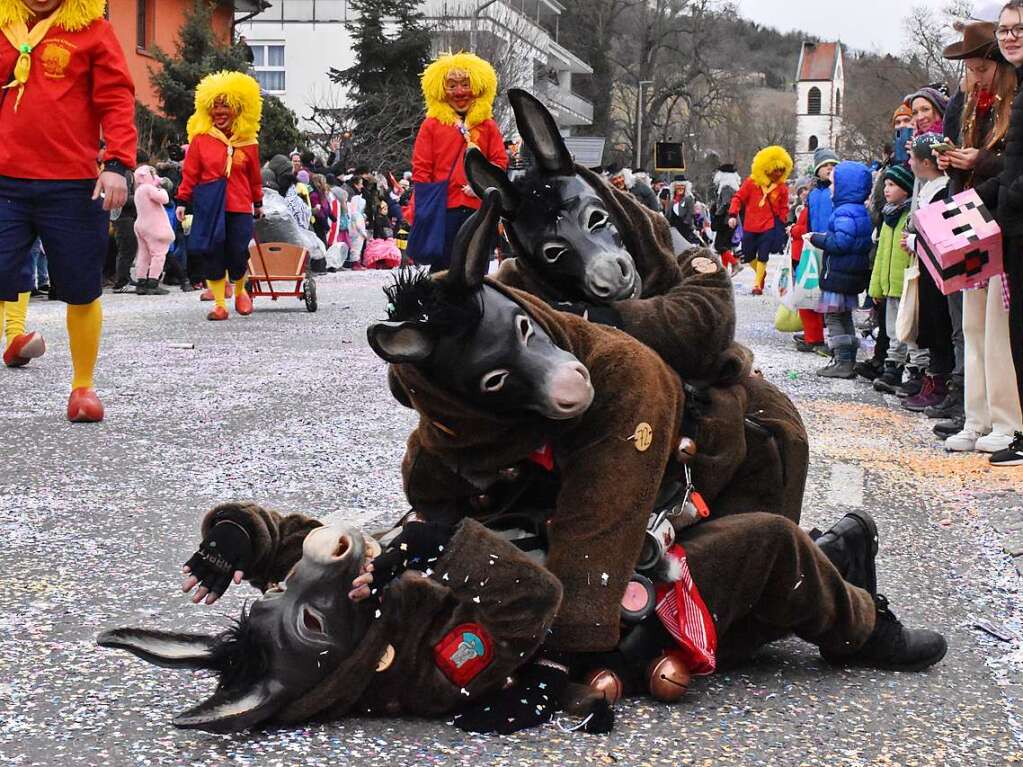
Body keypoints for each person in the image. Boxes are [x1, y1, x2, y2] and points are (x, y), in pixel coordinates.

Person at [0, 0, 135, 422]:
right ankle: (14, 337)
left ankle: (83, 387)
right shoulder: (3, 24)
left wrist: (116, 164)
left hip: (73, 183)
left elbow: (115, 98)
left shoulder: (93, 30)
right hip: (4, 179)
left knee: (80, 287)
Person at [965, 2, 1023, 465]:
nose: (1010, 36)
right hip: (990, 217)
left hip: (1006, 221)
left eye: (1017, 29)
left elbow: (1014, 169)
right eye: (1005, 30)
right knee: (977, 328)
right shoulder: (976, 103)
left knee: (1002, 332)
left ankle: (1009, 423)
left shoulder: (1013, 97)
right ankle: (981, 417)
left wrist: (986, 184)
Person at [175, 71, 263, 322]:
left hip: (239, 204)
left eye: (226, 106)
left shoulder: (248, 142)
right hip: (209, 204)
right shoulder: (201, 140)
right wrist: (182, 201)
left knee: (237, 251)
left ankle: (240, 291)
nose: (220, 112)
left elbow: (254, 176)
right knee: (213, 252)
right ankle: (220, 304)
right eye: (216, 106)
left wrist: (258, 203)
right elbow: (190, 174)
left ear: (238, 109)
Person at [410, 52, 508, 272]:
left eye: (466, 84)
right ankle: (439, 305)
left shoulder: (487, 125)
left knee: (476, 266)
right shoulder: (432, 125)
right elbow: (421, 167)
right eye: (452, 85)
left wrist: (482, 186)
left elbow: (499, 161)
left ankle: (474, 306)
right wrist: (425, 206)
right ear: (440, 89)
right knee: (444, 267)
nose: (460, 92)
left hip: (479, 208)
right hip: (444, 208)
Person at [808, 161, 874, 378]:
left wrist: (817, 239)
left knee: (834, 318)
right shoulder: (858, 210)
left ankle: (842, 361)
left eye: (834, 183)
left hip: (839, 274)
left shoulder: (844, 212)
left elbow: (841, 243)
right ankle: (847, 360)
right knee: (844, 317)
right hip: (849, 274)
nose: (831, 187)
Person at [868, 164, 924, 393]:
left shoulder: (910, 217)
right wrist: (876, 287)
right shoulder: (887, 218)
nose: (887, 189)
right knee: (892, 329)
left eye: (892, 185)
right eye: (886, 184)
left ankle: (916, 368)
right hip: (889, 284)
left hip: (906, 282)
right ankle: (893, 365)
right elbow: (881, 255)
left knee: (910, 330)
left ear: (906, 189)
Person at [728, 146, 793, 295]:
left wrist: (784, 223)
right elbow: (738, 198)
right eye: (775, 169)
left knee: (764, 254)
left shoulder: (781, 188)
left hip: (769, 225)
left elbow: (784, 207)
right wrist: (732, 214)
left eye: (781, 170)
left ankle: (757, 284)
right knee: (748, 254)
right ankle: (760, 273)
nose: (778, 173)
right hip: (750, 225)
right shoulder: (751, 183)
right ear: (765, 167)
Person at [789, 177, 827, 354]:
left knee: (806, 297)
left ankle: (813, 337)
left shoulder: (809, 208)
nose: (804, 192)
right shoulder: (810, 206)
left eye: (806, 189)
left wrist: (792, 230)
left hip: (804, 253)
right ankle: (811, 334)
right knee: (810, 298)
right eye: (801, 190)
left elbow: (802, 230)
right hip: (804, 252)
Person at [131, 165, 174, 296]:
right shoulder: (149, 188)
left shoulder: (138, 190)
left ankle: (141, 283)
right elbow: (165, 199)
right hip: (154, 227)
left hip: (140, 225)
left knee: (143, 254)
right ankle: (153, 283)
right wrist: (159, 187)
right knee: (158, 255)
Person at [710, 163, 741, 275]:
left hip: (725, 220)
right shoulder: (733, 188)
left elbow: (726, 203)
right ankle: (724, 271)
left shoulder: (726, 188)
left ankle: (734, 263)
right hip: (730, 220)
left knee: (719, 245)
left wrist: (717, 214)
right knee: (725, 247)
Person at [666, 178, 697, 245]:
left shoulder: (689, 198)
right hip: (673, 225)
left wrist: (686, 222)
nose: (680, 188)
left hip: (685, 226)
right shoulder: (671, 199)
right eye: (678, 186)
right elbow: (668, 212)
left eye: (682, 186)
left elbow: (691, 212)